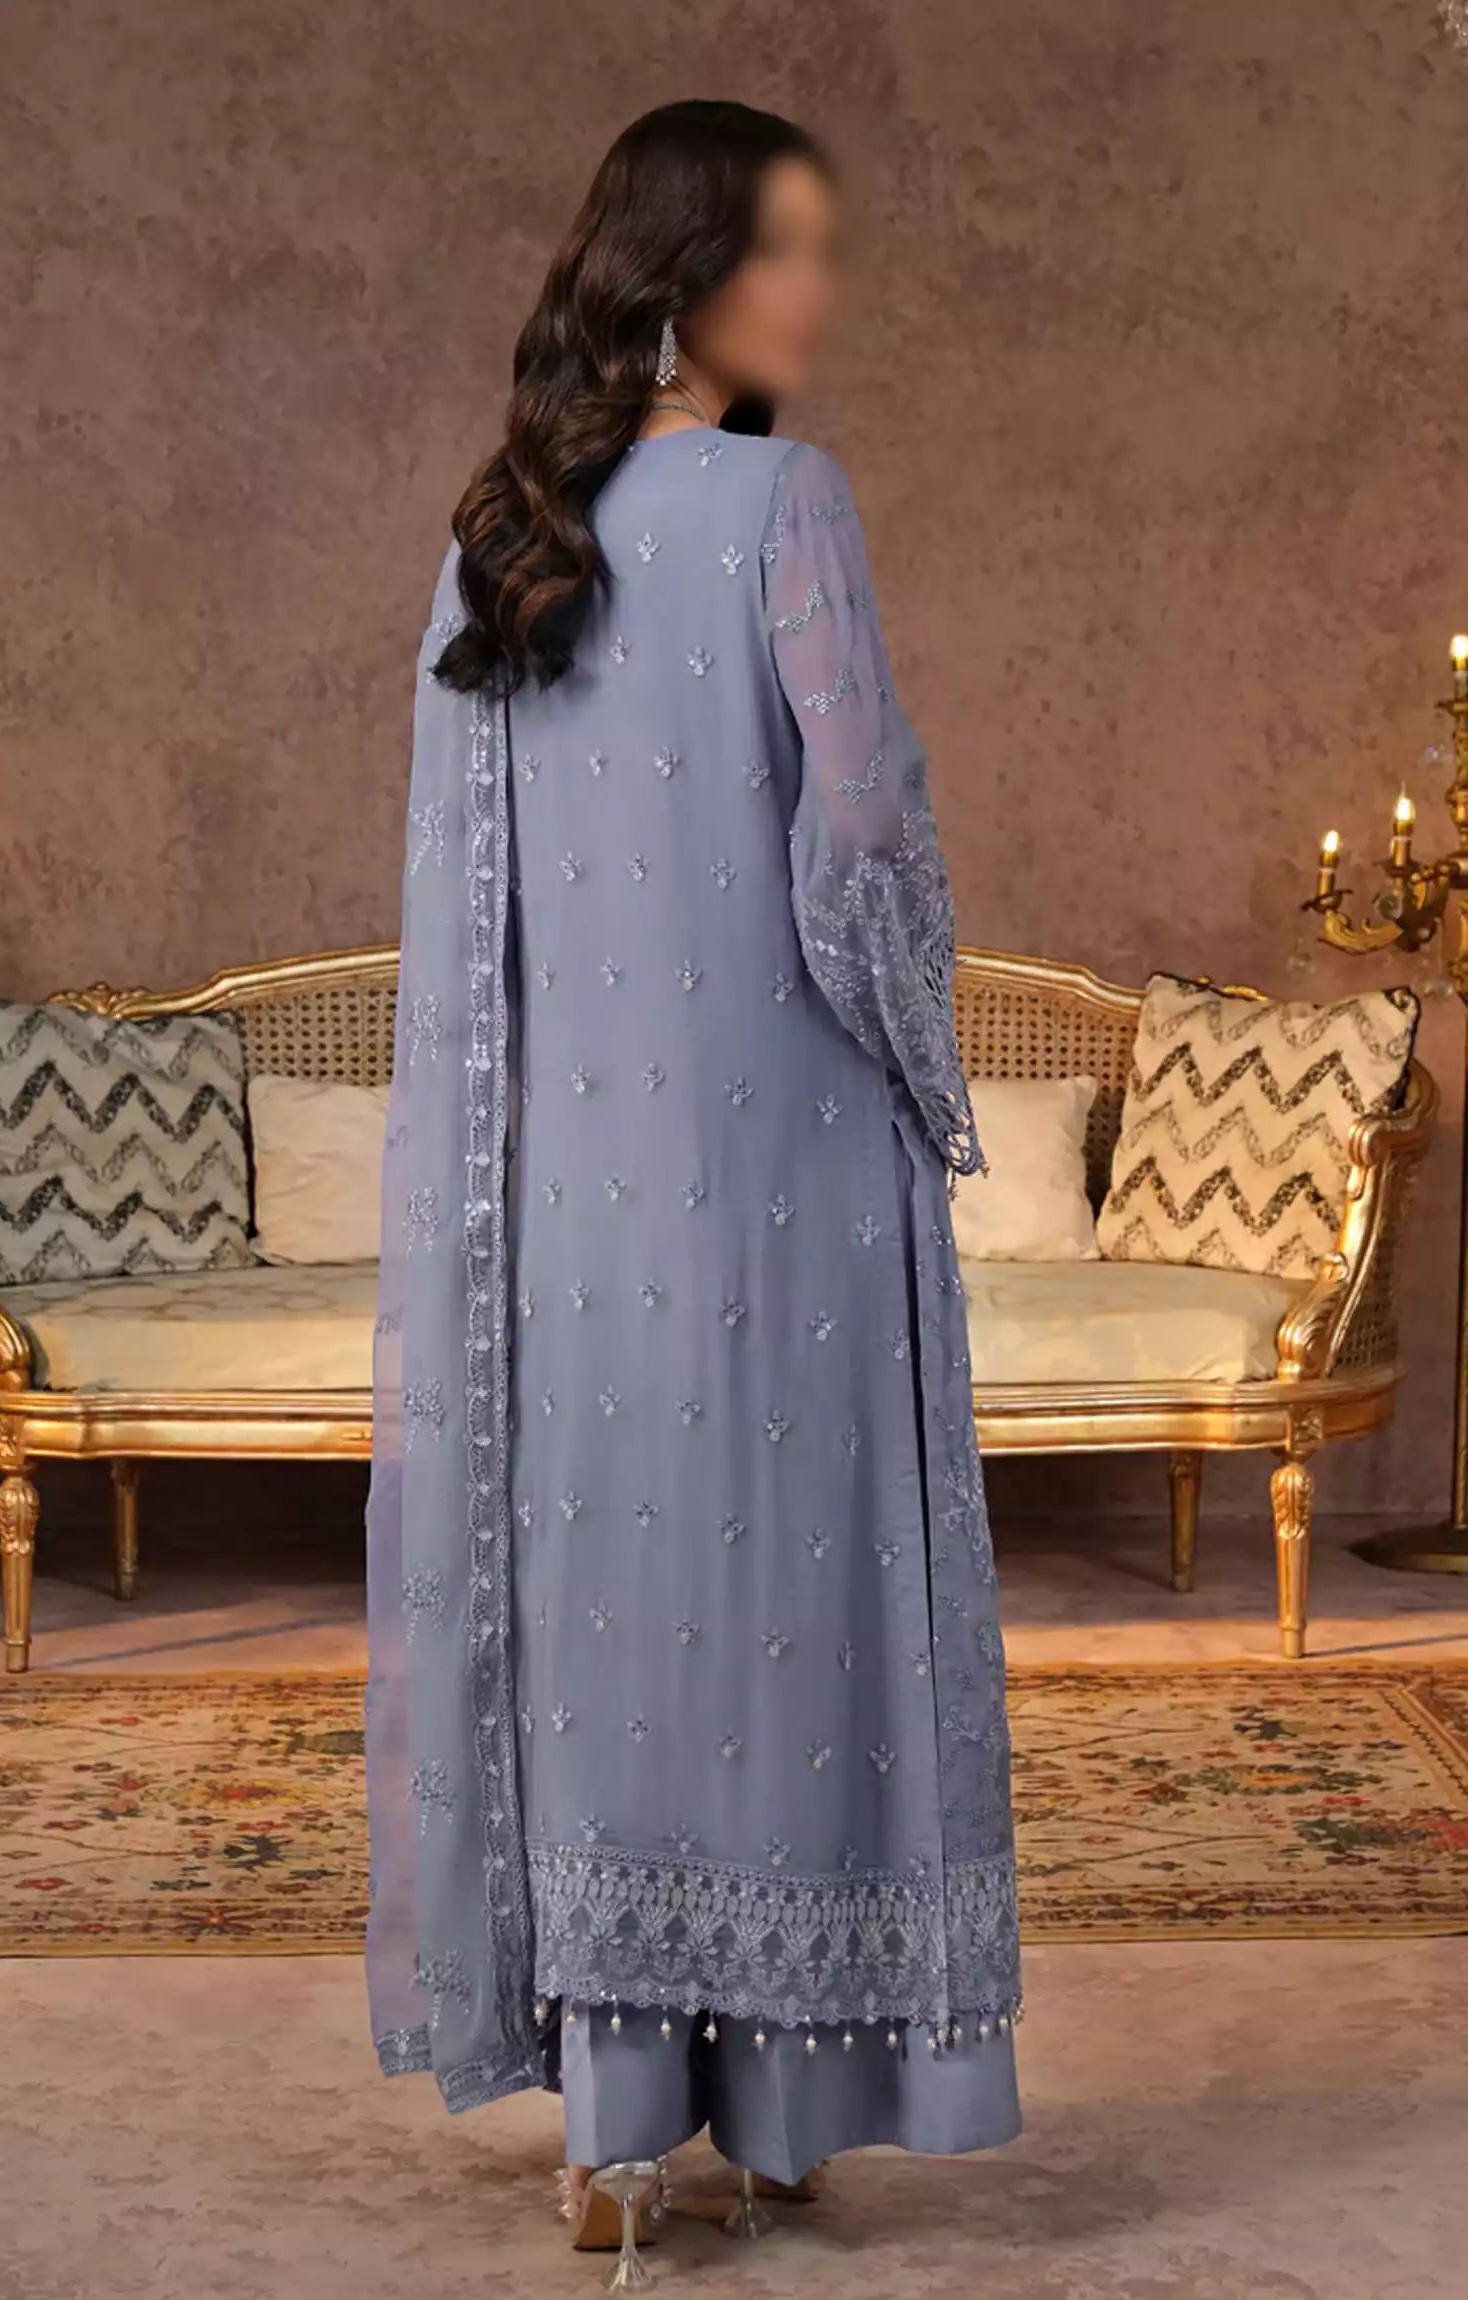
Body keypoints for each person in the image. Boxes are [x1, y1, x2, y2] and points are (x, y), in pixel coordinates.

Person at [365, 96, 1021, 2275]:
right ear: (684, 273)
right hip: (790, 1170)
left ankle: (617, 2129)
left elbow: (468, 929)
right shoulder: (786, 505)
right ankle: (788, 2109)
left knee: (611, 1626)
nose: (822, 292)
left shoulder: (498, 541)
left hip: (570, 1205)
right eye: (788, 249)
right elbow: (865, 837)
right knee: (786, 1623)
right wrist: (927, 1070)